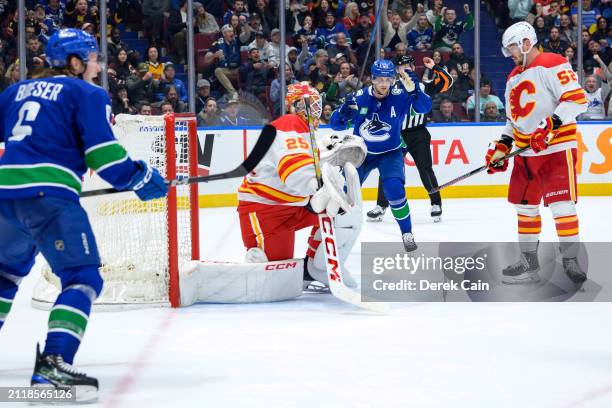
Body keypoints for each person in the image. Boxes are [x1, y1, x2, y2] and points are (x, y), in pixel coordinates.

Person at [0, 29, 167, 401]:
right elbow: (104, 156)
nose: (98, 65)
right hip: (49, 200)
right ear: (75, 63)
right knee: (81, 277)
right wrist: (139, 177)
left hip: (3, 197)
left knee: (4, 278)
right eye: (92, 58)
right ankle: (54, 366)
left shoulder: (13, 93)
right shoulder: (87, 93)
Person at [486, 22, 587, 285]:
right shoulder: (512, 78)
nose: (510, 55)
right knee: (525, 207)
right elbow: (513, 120)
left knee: (562, 204)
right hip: (525, 153)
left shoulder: (551, 61)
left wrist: (550, 125)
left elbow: (577, 98)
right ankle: (529, 263)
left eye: (512, 48)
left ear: (526, 42)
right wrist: (502, 147)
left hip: (556, 148)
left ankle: (571, 261)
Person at [237, 82, 363, 288]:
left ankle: (316, 268)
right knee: (278, 282)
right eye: (306, 105)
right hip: (266, 213)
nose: (313, 111)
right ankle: (260, 258)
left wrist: (330, 159)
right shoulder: (289, 123)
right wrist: (317, 187)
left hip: (295, 207)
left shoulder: (307, 134)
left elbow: (310, 172)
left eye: (316, 105)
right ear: (292, 107)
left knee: (344, 213)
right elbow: (296, 172)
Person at [331, 59, 432, 251]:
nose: (384, 84)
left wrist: (416, 92)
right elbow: (337, 125)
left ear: (393, 79)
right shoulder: (359, 97)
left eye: (388, 79)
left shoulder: (400, 95)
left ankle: (407, 233)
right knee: (345, 194)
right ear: (373, 79)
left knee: (394, 191)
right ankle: (335, 235)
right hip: (360, 153)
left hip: (390, 152)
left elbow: (424, 108)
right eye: (380, 80)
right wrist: (344, 111)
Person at [367, 55, 452, 224]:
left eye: (408, 65)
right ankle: (381, 206)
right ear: (396, 71)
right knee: (388, 170)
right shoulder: (390, 89)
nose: (405, 68)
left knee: (425, 168)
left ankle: (436, 203)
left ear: (413, 68)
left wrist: (434, 67)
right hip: (397, 135)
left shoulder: (423, 86)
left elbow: (447, 82)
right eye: (401, 66)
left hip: (419, 134)